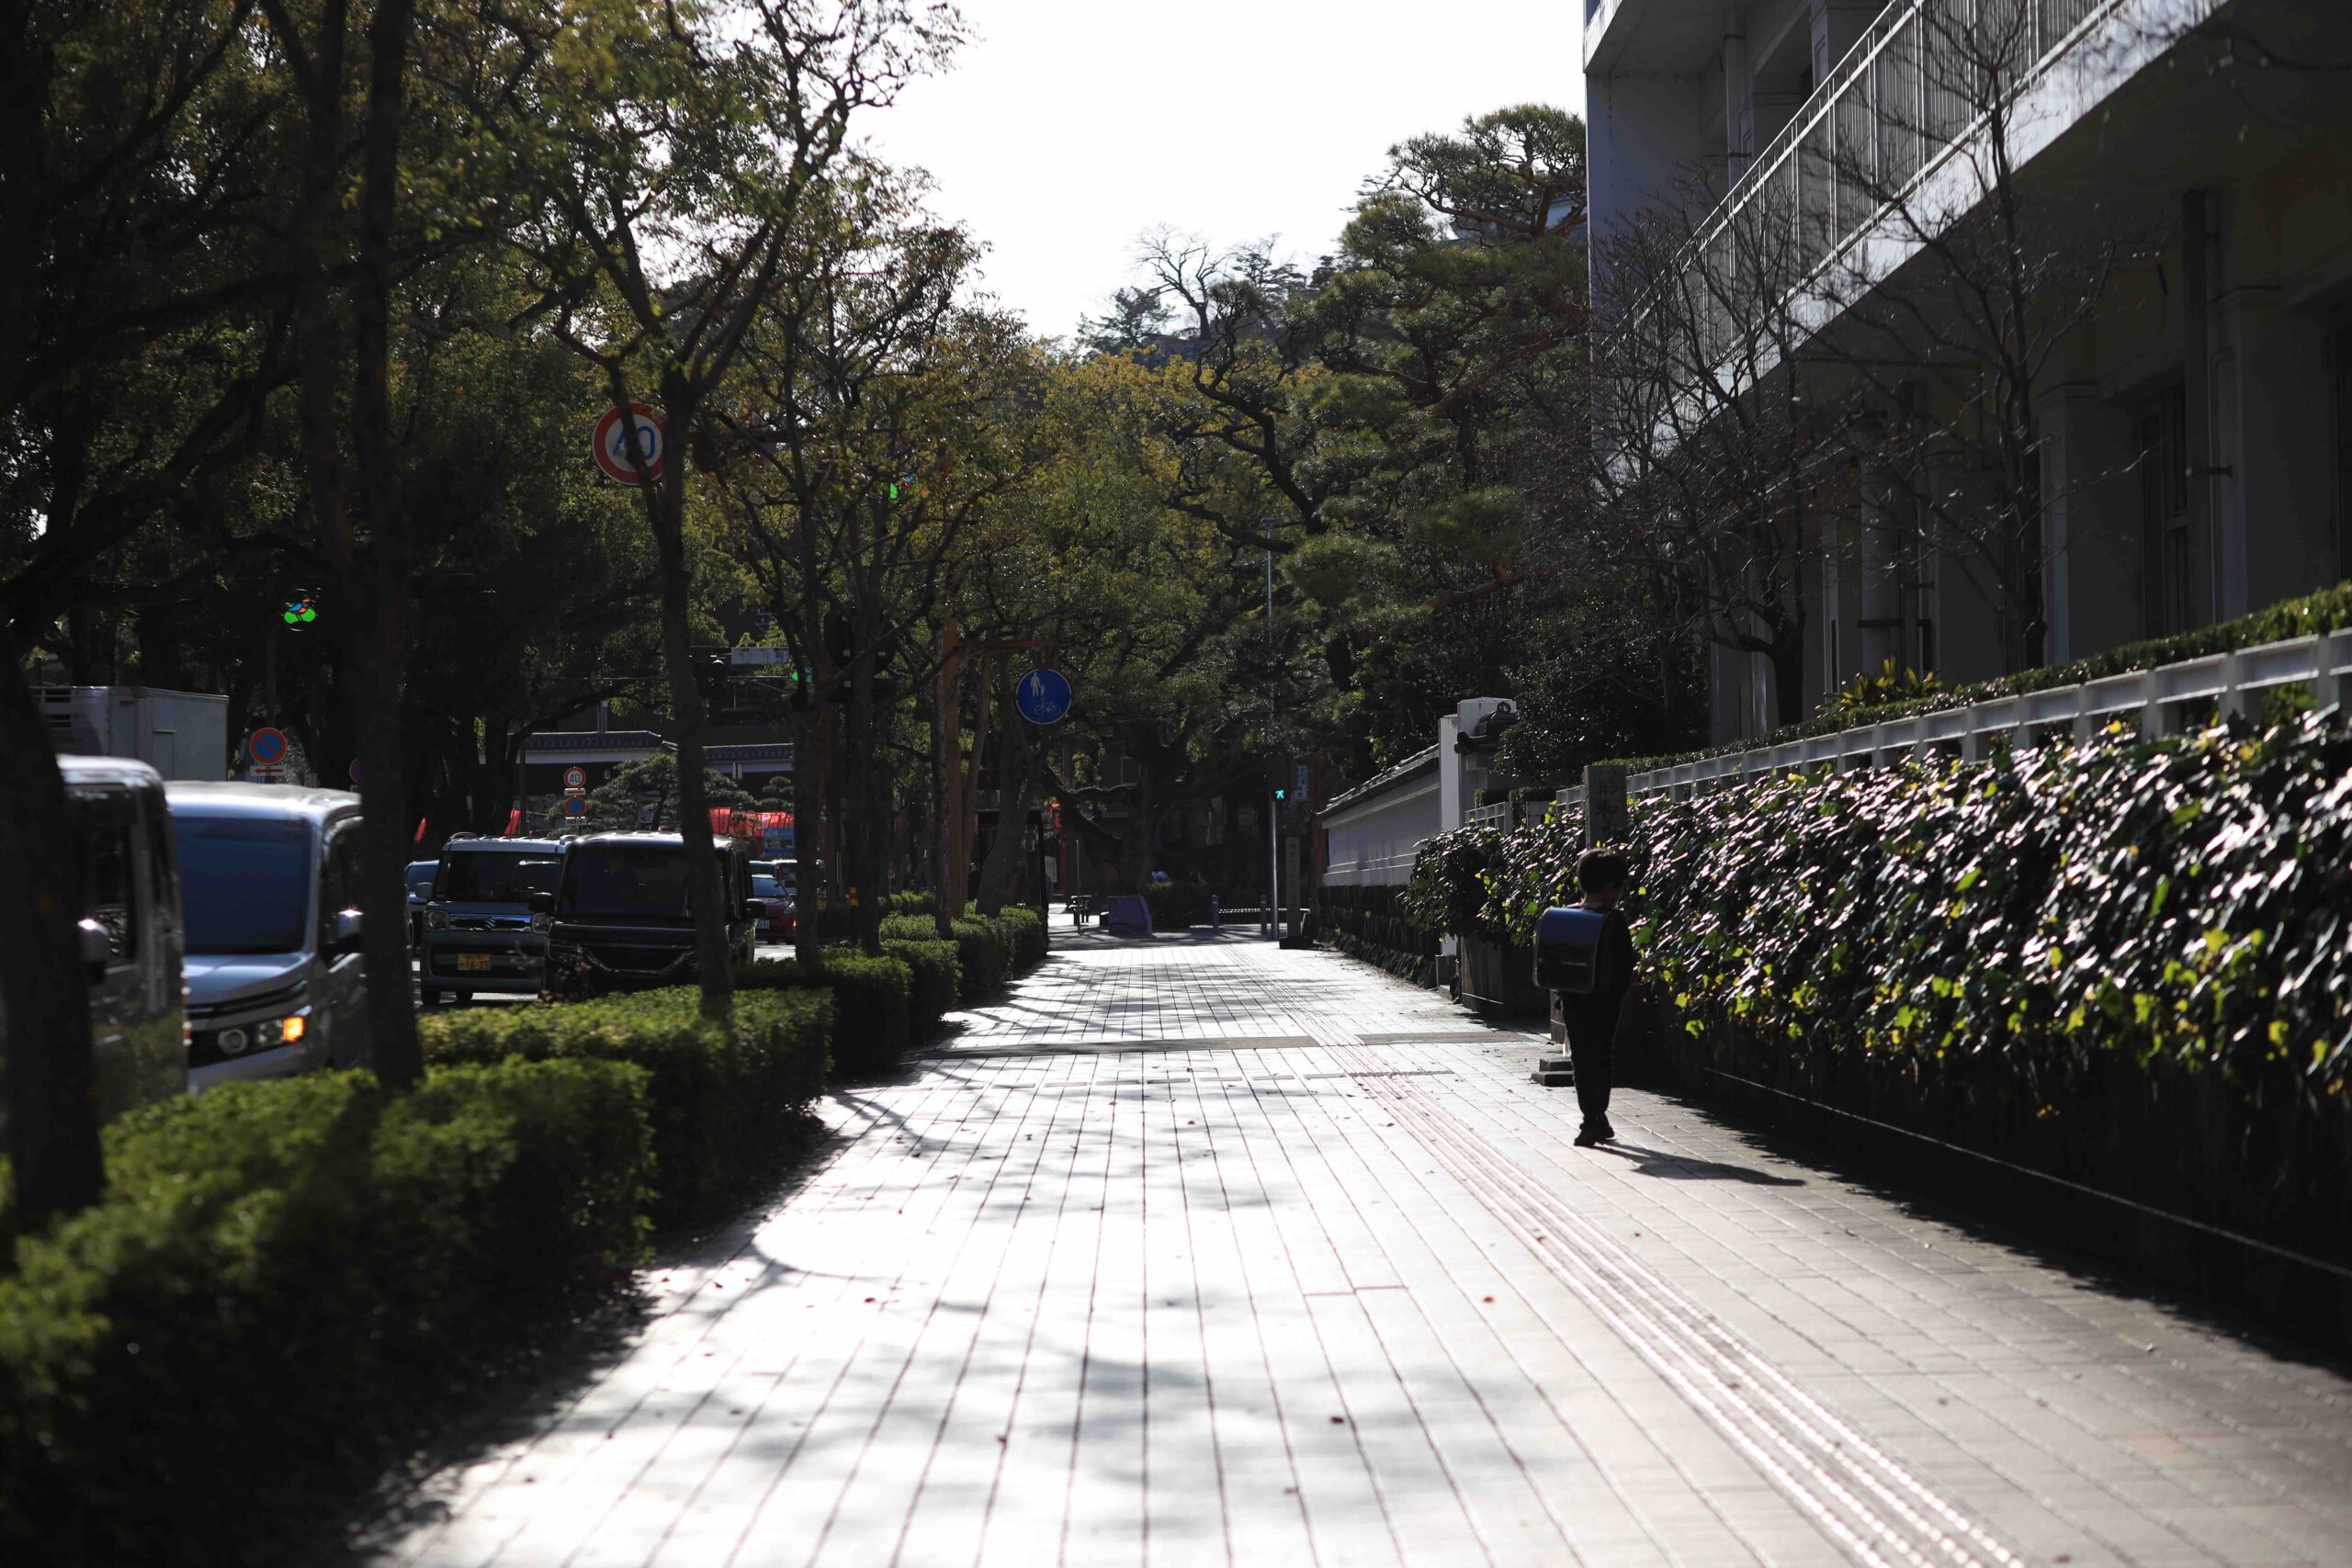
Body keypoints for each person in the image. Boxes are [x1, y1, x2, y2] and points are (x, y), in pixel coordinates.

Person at [1563, 847, 1637, 1147]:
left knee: (1581, 1060)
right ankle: (1593, 1118)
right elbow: (1625, 963)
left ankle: (1593, 1117)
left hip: (1572, 1001)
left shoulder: (1565, 916)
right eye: (1618, 888)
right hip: (1605, 1003)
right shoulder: (1614, 920)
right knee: (1602, 1056)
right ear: (1609, 888)